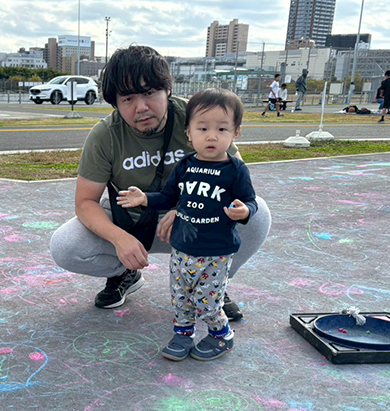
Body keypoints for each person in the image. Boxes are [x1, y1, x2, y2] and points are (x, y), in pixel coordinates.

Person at [49, 45, 271, 319]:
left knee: (257, 213)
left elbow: (237, 184)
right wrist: (120, 240)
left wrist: (186, 210)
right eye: (128, 98)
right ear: (115, 103)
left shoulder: (196, 117)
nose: (141, 107)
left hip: (194, 224)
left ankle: (213, 282)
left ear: (166, 89)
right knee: (65, 246)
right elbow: (85, 202)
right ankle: (125, 274)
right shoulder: (105, 135)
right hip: (132, 223)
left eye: (149, 93)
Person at [117, 88, 257, 361]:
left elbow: (250, 200)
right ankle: (183, 334)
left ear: (236, 133)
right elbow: (168, 197)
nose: (212, 136)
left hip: (216, 251)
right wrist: (144, 198)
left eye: (222, 129)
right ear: (189, 132)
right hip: (182, 248)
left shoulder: (236, 170)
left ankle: (221, 335)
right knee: (180, 297)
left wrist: (245, 211)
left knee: (207, 300)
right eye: (203, 128)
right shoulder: (185, 166)